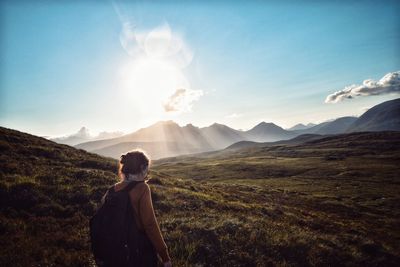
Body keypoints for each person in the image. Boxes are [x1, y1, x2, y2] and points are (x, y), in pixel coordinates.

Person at [108, 149, 172, 267]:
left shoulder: (112, 190)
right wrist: (165, 257)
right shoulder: (142, 188)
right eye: (147, 168)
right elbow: (150, 224)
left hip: (113, 249)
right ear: (142, 167)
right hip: (138, 249)